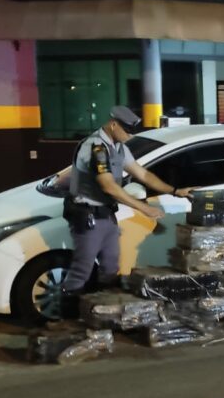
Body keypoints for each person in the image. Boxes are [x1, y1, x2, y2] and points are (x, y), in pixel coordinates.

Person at [59, 105, 193, 317]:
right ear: (113, 125)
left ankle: (103, 316)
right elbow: (108, 186)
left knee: (111, 266)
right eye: (127, 131)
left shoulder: (119, 147)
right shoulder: (96, 147)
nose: (130, 136)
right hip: (87, 215)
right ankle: (66, 320)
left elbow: (143, 174)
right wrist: (143, 208)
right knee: (82, 269)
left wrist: (175, 191)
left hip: (106, 214)